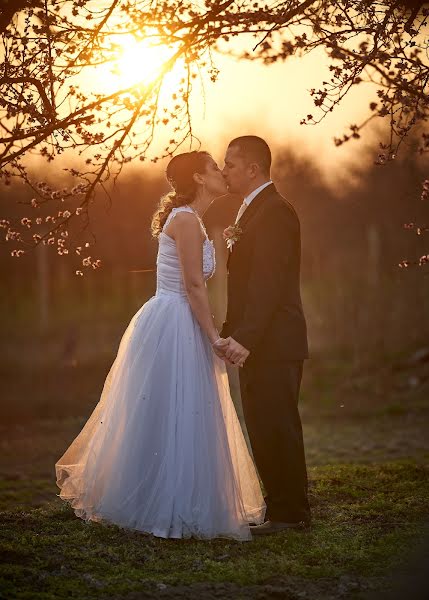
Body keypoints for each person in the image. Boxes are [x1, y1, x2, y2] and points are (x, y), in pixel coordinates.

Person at [55, 151, 266, 541]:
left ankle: (180, 499)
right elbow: (193, 285)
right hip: (175, 321)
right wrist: (213, 335)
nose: (222, 173)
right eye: (214, 169)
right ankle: (163, 504)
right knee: (172, 407)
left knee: (181, 409)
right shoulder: (186, 220)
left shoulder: (193, 219)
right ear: (200, 179)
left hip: (178, 317)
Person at [219, 135, 311, 535]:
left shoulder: (274, 211)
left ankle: (292, 514)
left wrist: (246, 338)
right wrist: (229, 333)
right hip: (257, 342)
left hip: (274, 343)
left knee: (278, 425)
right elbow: (243, 286)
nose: (225, 172)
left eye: (231, 165)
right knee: (262, 425)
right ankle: (280, 511)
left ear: (253, 168)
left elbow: (268, 284)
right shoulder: (252, 210)